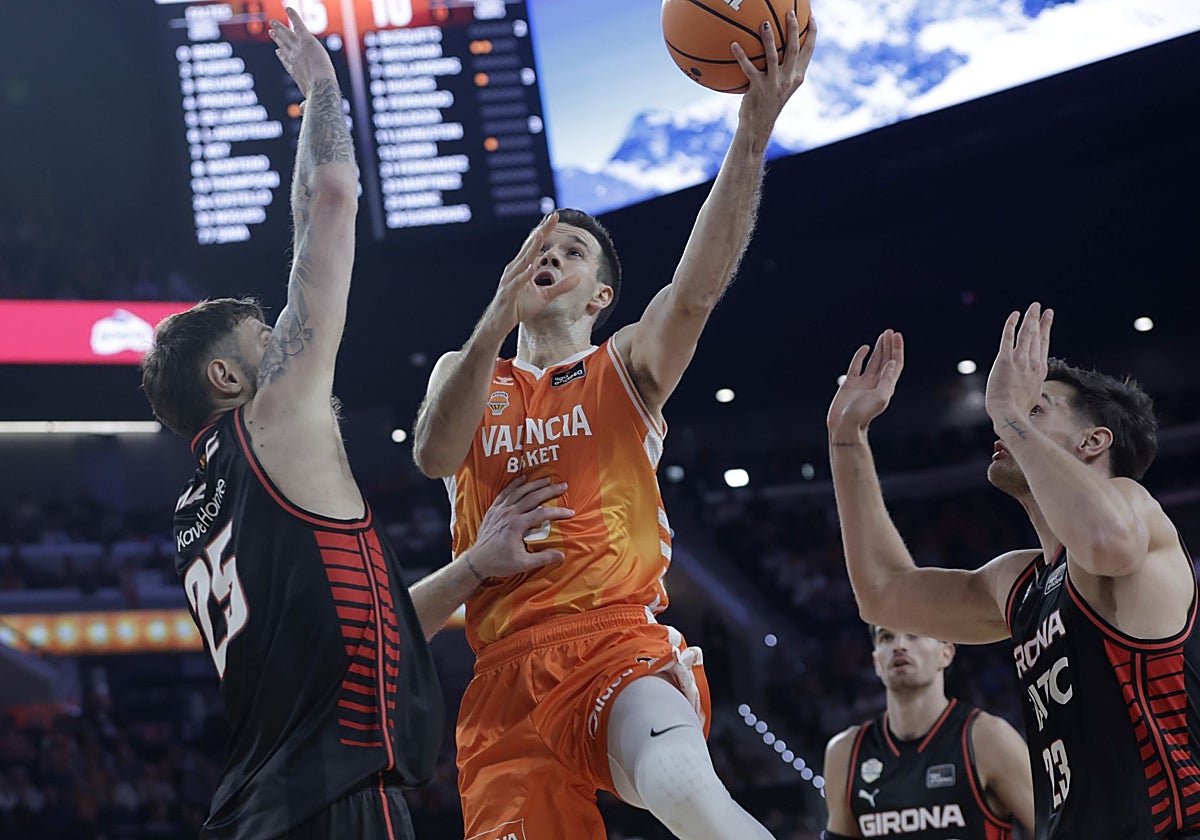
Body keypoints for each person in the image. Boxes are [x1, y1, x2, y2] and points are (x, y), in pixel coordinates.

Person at [140, 11, 572, 839]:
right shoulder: (271, 419)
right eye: (265, 338)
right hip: (332, 805)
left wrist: (474, 568)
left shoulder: (197, 514)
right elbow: (330, 203)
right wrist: (323, 87)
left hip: (259, 812)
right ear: (228, 380)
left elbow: (360, 631)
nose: (285, 341)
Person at [411, 11, 818, 840]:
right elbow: (432, 454)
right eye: (540, 248)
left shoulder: (622, 365)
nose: (549, 257)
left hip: (610, 642)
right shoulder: (469, 372)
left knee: (680, 781)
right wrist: (492, 324)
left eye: (571, 252)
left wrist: (751, 136)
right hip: (502, 679)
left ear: (600, 296)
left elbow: (695, 293)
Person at [825, 303, 1200, 839]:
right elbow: (884, 595)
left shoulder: (1132, 507)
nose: (1009, 417)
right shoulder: (1021, 582)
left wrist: (1007, 410)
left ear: (1093, 442)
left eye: (1037, 407)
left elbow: (1106, 543)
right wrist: (847, 438)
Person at [823, 625, 1034, 839]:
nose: (899, 646)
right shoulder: (845, 753)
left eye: (914, 634)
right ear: (876, 661)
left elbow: (1053, 826)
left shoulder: (988, 739)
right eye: (886, 637)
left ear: (946, 653)